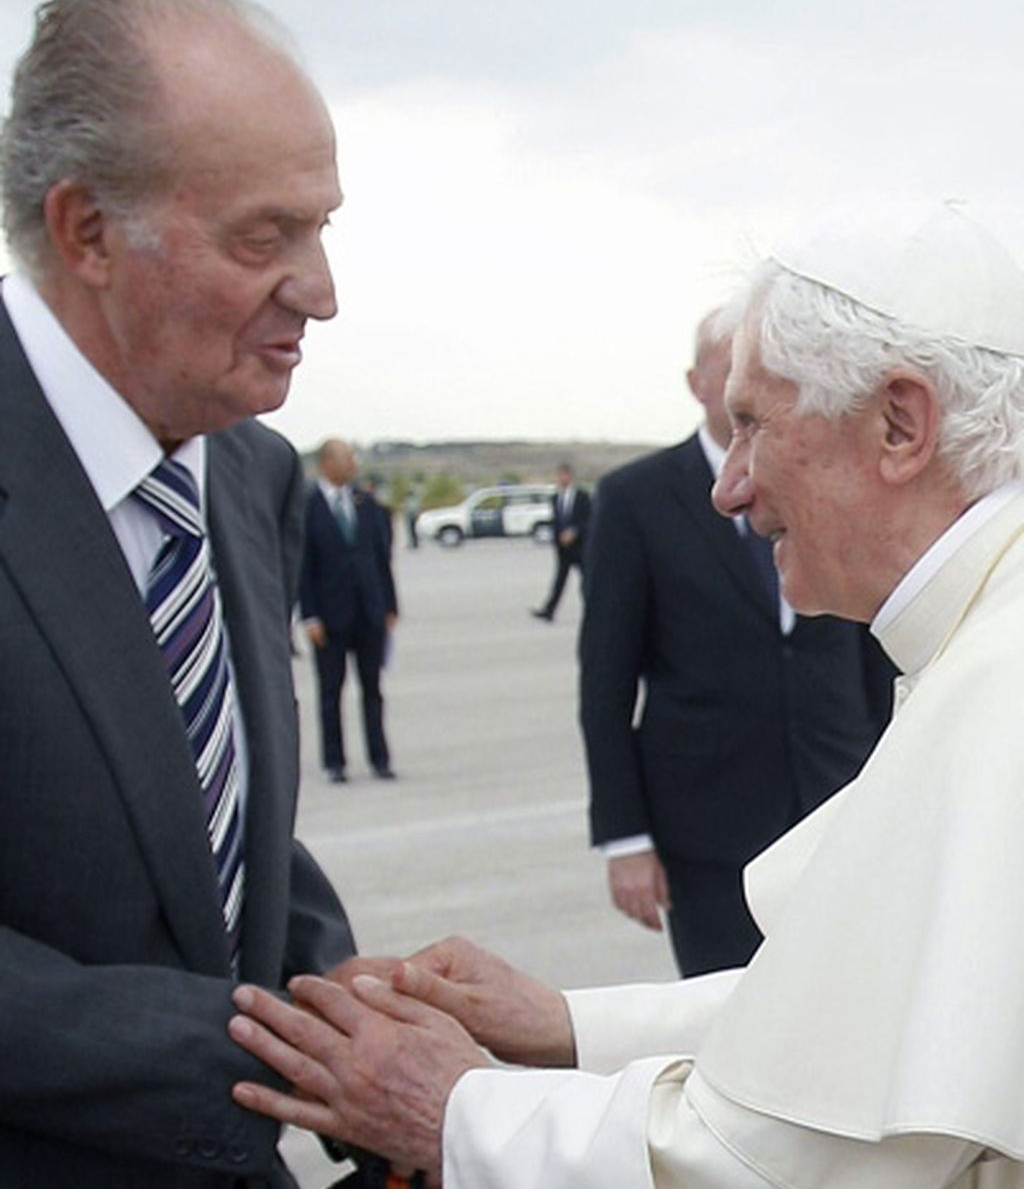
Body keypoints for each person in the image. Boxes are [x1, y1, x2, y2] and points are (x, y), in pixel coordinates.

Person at [230, 198, 1024, 1189]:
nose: (728, 487)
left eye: (752, 426)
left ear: (899, 424)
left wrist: (457, 1110)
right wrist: (564, 1024)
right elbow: (849, 1023)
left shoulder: (1002, 687)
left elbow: (775, 1164)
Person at [0, 0, 359, 1184]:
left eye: (322, 228)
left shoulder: (249, 472)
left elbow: (205, 830)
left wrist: (351, 1002)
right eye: (264, 238)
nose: (320, 291)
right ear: (89, 232)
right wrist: (247, 1050)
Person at [580, 308, 894, 975]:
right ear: (697, 383)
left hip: (836, 802)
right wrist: (624, 838)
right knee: (723, 1023)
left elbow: (872, 645)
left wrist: (886, 769)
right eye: (732, 378)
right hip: (708, 824)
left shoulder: (832, 483)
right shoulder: (636, 499)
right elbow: (604, 684)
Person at [301, 439, 399, 782]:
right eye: (347, 458)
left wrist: (390, 605)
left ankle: (380, 758)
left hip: (368, 614)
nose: (353, 464)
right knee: (331, 692)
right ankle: (335, 761)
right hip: (329, 618)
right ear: (326, 463)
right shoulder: (307, 508)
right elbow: (303, 568)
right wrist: (309, 616)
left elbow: (381, 559)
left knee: (373, 690)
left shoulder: (367, 504)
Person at [531, 462, 590, 621]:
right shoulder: (555, 498)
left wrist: (574, 532)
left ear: (570, 476)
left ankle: (593, 612)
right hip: (563, 548)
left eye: (563, 475)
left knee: (586, 582)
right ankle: (549, 611)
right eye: (559, 476)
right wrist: (557, 537)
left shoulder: (582, 496)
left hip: (580, 548)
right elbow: (556, 521)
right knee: (559, 581)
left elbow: (589, 520)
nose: (560, 478)